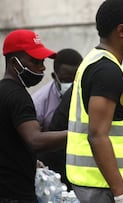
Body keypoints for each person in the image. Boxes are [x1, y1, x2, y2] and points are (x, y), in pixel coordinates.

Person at [65, 0, 123, 202]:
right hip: (103, 186)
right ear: (121, 30)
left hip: (100, 181)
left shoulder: (98, 62)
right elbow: (97, 136)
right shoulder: (106, 71)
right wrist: (121, 193)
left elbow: (111, 130)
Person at [0, 29, 67, 202]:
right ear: (15, 63)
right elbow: (35, 141)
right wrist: (78, 133)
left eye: (43, 61)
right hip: (17, 195)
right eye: (36, 61)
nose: (42, 67)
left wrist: (27, 160)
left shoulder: (3, 91)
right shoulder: (19, 97)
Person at [31, 48, 82, 131]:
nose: (72, 85)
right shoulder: (39, 103)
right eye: (66, 80)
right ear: (54, 76)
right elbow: (34, 138)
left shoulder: (91, 94)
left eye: (76, 80)